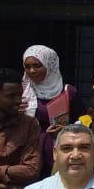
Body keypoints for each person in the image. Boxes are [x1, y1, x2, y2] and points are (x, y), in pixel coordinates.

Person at [22, 46, 83, 176]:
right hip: (28, 151)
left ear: (50, 66)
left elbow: (82, 122)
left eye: (37, 66)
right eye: (27, 67)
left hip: (58, 149)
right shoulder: (22, 92)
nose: (31, 71)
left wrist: (66, 129)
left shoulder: (68, 92)